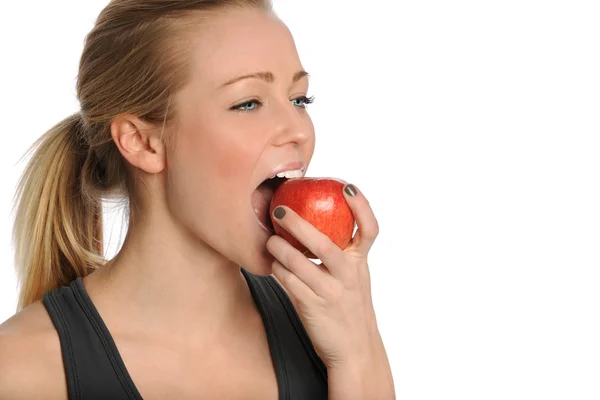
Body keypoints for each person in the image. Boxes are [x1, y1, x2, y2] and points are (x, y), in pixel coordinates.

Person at [0, 0, 395, 398]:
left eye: (299, 100)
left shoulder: (332, 334)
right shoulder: (20, 369)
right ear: (143, 142)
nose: (298, 130)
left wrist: (358, 355)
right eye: (248, 103)